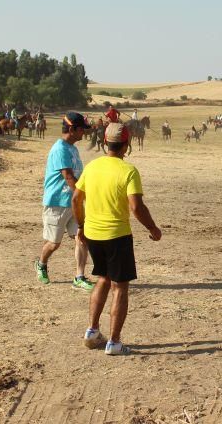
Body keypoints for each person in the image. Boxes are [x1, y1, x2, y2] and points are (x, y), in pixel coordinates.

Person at [73, 122, 161, 356]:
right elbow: (136, 206)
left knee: (103, 278)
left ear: (104, 143)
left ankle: (92, 331)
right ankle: (114, 342)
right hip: (117, 236)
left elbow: (75, 199)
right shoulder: (129, 171)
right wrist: (153, 228)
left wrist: (81, 226)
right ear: (127, 145)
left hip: (93, 234)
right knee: (120, 287)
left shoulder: (91, 167)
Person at [35, 112, 95, 289]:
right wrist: (84, 196)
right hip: (57, 203)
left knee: (82, 237)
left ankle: (79, 277)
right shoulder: (60, 149)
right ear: (72, 129)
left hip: (73, 202)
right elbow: (68, 177)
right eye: (81, 129)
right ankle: (41, 263)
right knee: (54, 243)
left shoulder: (73, 148)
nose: (83, 132)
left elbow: (79, 176)